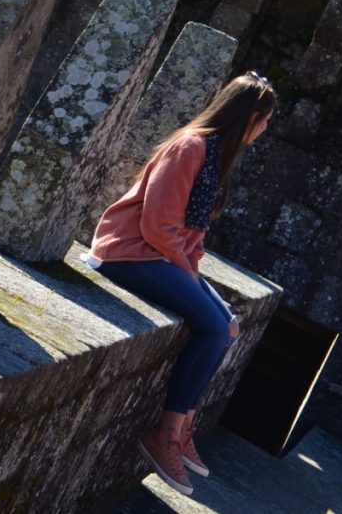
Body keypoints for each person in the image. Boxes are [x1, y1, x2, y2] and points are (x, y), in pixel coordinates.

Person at [82, 71, 276, 495]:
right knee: (210, 326)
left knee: (228, 326)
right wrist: (187, 271)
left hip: (159, 256)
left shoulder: (214, 154)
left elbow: (193, 235)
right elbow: (156, 225)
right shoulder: (190, 147)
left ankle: (185, 424)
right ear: (250, 116)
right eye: (264, 122)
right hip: (129, 252)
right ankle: (165, 434)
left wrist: (192, 268)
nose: (263, 132)